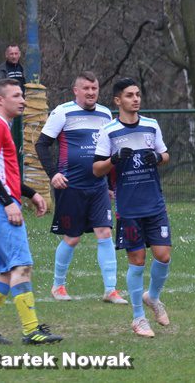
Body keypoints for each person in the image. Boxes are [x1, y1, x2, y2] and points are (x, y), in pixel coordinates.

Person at [0, 78, 63, 345]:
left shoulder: (1, 126)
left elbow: (1, 171)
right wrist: (8, 202)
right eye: (16, 95)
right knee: (22, 266)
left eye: (23, 95)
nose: (23, 100)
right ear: (0, 100)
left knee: (7, 271)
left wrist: (30, 193)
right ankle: (32, 331)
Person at [34, 71, 126, 304]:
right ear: (76, 91)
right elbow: (42, 145)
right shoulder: (62, 112)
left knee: (105, 232)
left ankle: (111, 290)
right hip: (70, 186)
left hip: (97, 187)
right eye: (86, 88)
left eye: (94, 88)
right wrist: (53, 174)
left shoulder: (106, 114)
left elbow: (108, 152)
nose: (91, 92)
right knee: (72, 237)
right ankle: (58, 286)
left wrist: (109, 184)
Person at [93, 78, 172, 338]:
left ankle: (153, 297)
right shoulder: (109, 131)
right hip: (128, 208)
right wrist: (113, 159)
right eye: (129, 95)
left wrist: (158, 157)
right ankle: (138, 317)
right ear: (118, 100)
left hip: (155, 204)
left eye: (137, 94)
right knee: (137, 261)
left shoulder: (151, 125)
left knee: (163, 255)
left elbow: (165, 155)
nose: (135, 99)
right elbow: (97, 169)